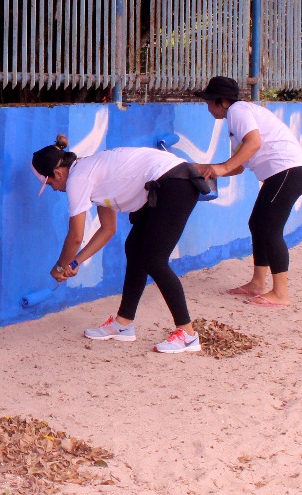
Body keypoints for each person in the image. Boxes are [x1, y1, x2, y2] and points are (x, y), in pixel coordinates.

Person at [32, 135, 208, 354]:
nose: (54, 189)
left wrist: (60, 266)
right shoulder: (91, 171)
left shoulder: (78, 179)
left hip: (175, 184)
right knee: (134, 247)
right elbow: (108, 229)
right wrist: (76, 262)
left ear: (58, 173)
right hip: (168, 183)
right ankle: (123, 324)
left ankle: (188, 334)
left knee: (154, 260)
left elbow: (75, 236)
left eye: (49, 184)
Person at [194, 76, 302, 307]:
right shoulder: (235, 121)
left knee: (269, 228)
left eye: (209, 102)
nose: (208, 107)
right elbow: (238, 166)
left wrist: (222, 167)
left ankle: (281, 294)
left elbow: (254, 143)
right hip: (282, 173)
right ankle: (257, 283)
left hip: (287, 171)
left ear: (222, 101)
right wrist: (209, 169)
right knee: (257, 223)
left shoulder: (238, 110)